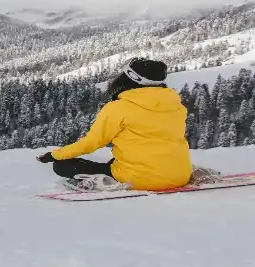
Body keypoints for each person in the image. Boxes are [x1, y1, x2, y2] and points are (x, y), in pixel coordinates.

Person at [35, 57, 193, 191]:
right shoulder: (176, 105)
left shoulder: (119, 107)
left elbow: (91, 143)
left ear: (130, 78)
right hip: (181, 175)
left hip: (139, 180)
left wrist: (55, 155)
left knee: (61, 166)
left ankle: (106, 181)